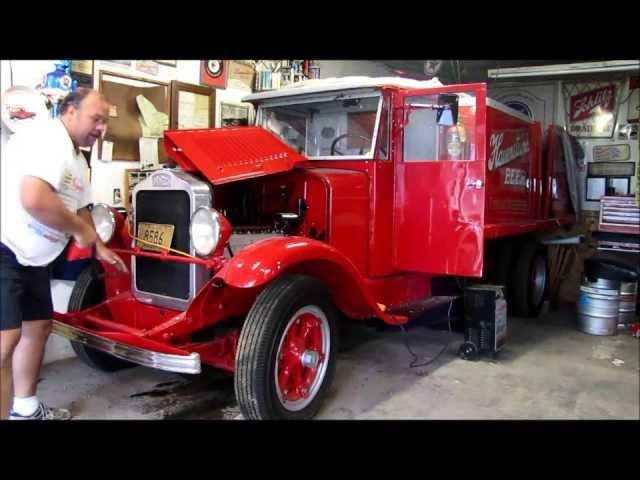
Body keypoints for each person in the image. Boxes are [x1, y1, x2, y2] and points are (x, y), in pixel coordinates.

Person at [0, 88, 128, 420]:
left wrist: (98, 245)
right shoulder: (48, 140)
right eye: (95, 119)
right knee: (4, 343)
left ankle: (26, 410)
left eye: (105, 121)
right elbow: (35, 198)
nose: (101, 128)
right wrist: (80, 231)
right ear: (70, 111)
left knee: (38, 327)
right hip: (5, 249)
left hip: (35, 260)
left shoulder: (76, 157)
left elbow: (81, 206)